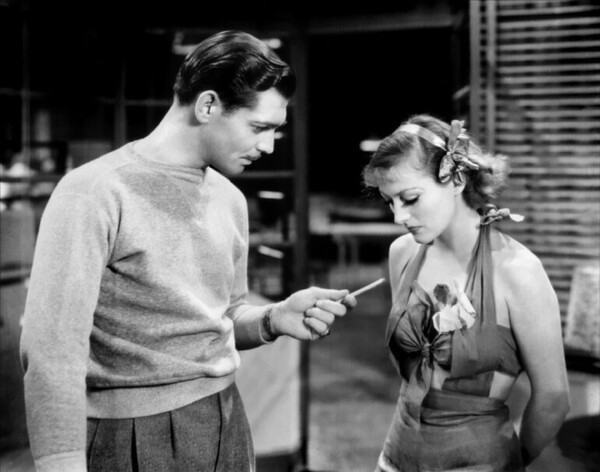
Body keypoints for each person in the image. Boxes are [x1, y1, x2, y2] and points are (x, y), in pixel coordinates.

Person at [20, 30, 355, 472]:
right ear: (208, 105)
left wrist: (273, 319)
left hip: (227, 421)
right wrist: (60, 464)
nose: (269, 146)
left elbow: (224, 316)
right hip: (129, 434)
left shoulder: (230, 200)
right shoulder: (94, 192)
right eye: (260, 127)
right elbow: (51, 354)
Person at [362, 114, 570, 471]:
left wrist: (510, 461)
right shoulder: (402, 254)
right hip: (394, 458)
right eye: (389, 201)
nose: (398, 217)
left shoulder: (517, 272)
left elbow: (553, 398)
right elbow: (414, 375)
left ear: (456, 179)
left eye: (410, 198)